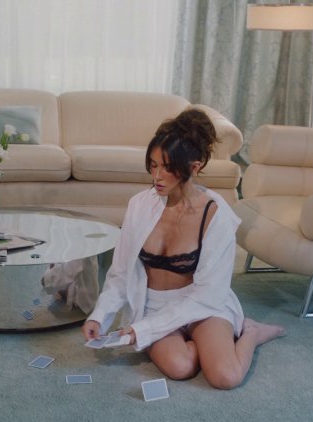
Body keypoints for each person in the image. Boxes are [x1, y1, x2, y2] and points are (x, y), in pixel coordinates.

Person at [82, 108, 285, 390]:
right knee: (180, 367)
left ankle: (250, 332)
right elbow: (121, 272)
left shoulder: (216, 215)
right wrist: (99, 316)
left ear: (194, 167)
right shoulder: (139, 205)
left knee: (225, 377)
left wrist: (143, 331)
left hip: (202, 305)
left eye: (168, 168)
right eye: (153, 165)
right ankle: (208, 343)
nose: (157, 176)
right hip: (155, 305)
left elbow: (209, 295)